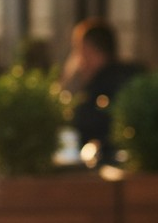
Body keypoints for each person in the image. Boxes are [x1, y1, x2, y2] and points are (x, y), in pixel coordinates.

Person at [61, 17, 143, 165]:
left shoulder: (98, 88)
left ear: (88, 50)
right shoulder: (133, 77)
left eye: (78, 50)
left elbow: (77, 124)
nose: (76, 59)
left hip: (103, 165)